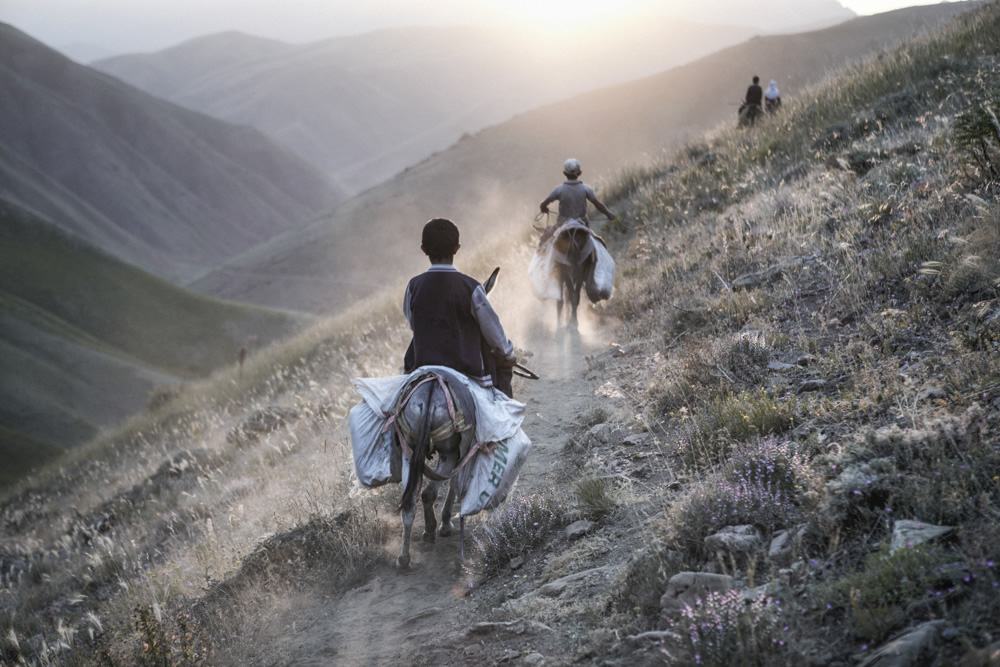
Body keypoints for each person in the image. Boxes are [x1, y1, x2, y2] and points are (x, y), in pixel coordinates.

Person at [403, 218, 517, 396]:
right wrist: (507, 354)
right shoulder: (471, 287)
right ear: (457, 248)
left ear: (424, 250)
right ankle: (508, 417)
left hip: (422, 367)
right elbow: (492, 330)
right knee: (503, 381)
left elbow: (413, 323)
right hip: (466, 371)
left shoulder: (413, 286)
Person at [539, 158, 615, 229]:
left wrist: (544, 208)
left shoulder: (558, 190)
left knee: (548, 239)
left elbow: (543, 204)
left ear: (564, 173)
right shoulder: (586, 189)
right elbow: (597, 204)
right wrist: (608, 214)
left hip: (562, 225)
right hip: (582, 224)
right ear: (580, 173)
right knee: (595, 241)